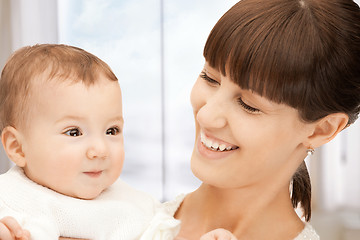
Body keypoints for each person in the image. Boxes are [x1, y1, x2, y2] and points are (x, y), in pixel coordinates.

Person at [164, 0, 360, 239]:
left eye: (248, 105)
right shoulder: (126, 219)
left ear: (321, 130)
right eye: (209, 78)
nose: (206, 115)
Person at [0, 44, 180, 240]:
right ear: (17, 147)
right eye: (74, 132)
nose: (101, 150)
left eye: (112, 130)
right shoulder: (10, 202)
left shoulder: (136, 205)